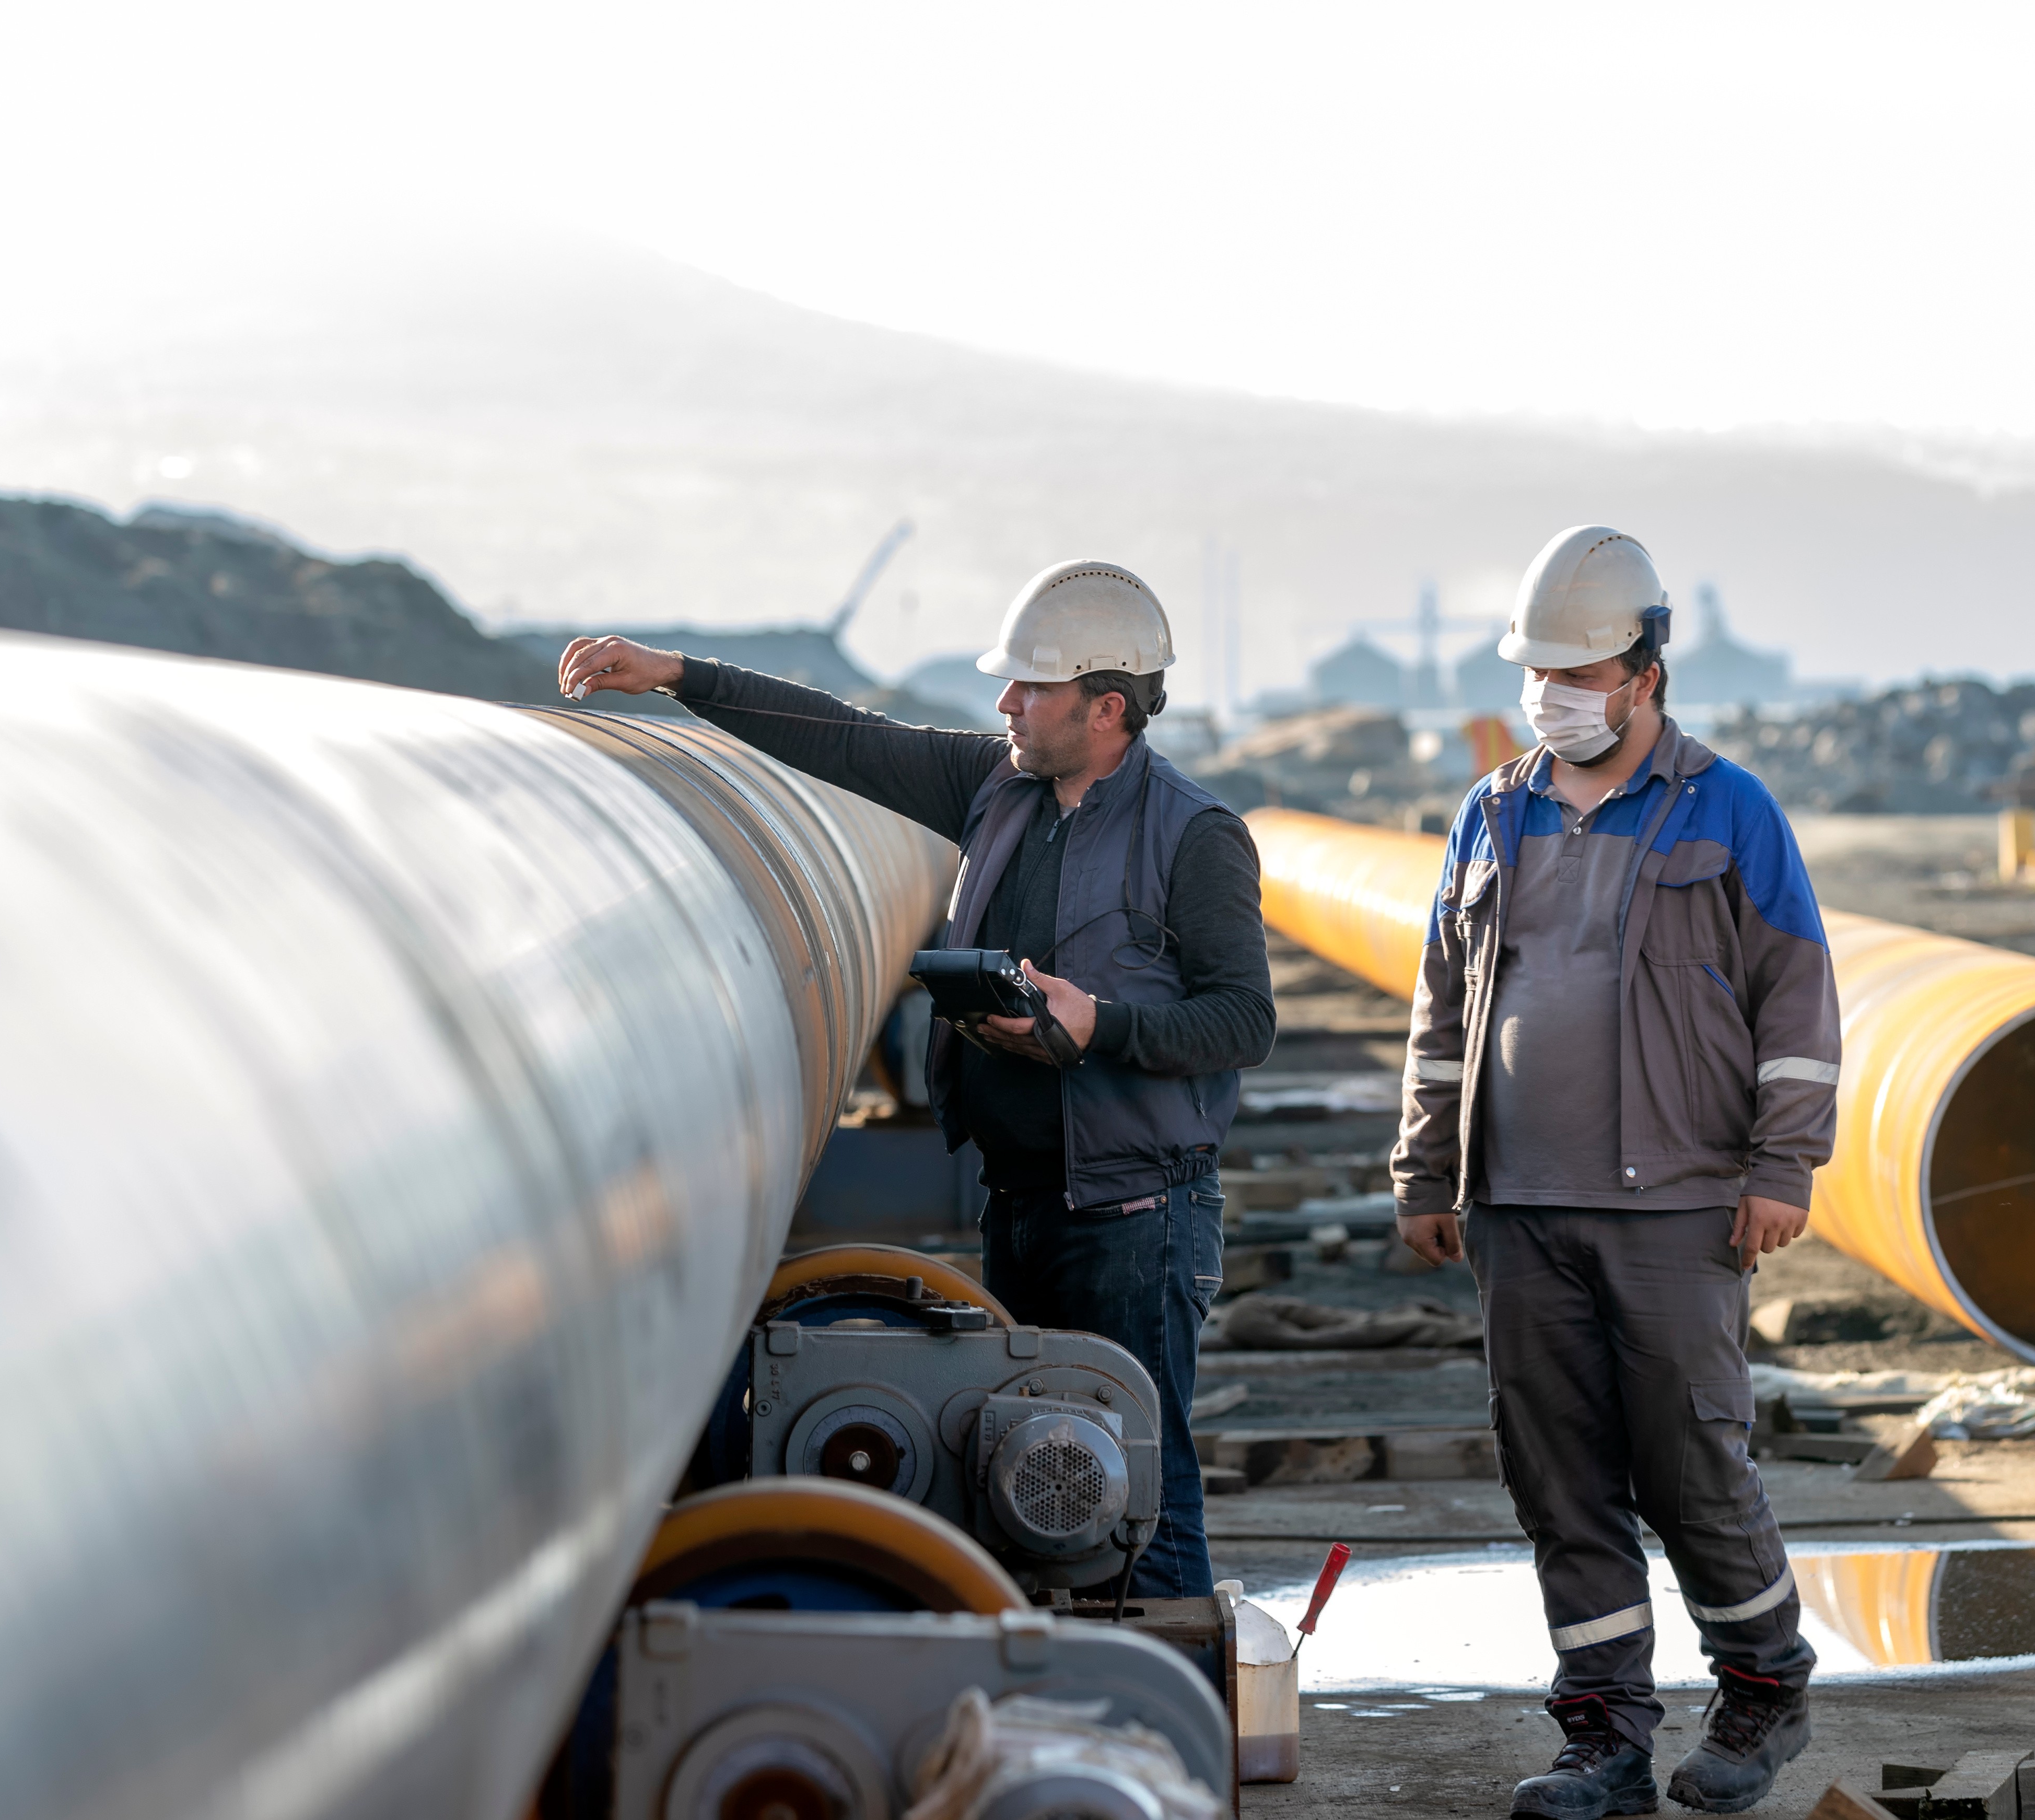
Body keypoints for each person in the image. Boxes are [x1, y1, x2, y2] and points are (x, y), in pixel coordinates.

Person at [558, 559, 1272, 1599]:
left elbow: (1243, 1019)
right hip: (1021, 1193)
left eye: (1029, 688)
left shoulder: (1195, 835)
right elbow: (844, 735)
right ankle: (1070, 1696)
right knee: (1032, 1466)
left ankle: (1170, 1719)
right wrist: (673, 673)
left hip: (1134, 1210)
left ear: (1106, 706)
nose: (1005, 704)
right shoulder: (998, 789)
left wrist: (1098, 1022)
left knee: (1135, 1486)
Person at [1390, 528, 1839, 1817]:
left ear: (1646, 670)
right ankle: (1604, 1739)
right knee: (1560, 1473)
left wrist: (1783, 1165)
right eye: (1539, 670)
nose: (1552, 693)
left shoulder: (1730, 809)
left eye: (1577, 669)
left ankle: (1762, 1686)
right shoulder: (1494, 810)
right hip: (1519, 1204)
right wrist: (1429, 1172)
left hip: (1680, 1198)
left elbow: (1797, 1000)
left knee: (1694, 1463)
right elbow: (1442, 1007)